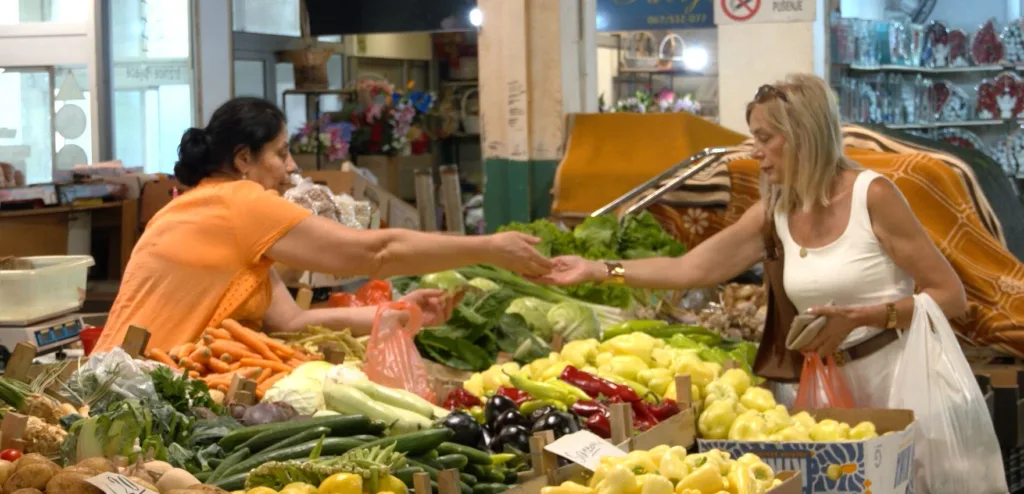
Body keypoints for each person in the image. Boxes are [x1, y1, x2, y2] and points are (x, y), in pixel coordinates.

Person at [533, 74, 968, 408]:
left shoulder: (872, 195)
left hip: (899, 382)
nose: (752, 151)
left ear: (803, 135)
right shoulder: (774, 212)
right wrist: (599, 270)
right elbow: (692, 269)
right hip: (825, 386)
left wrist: (863, 317)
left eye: (764, 138)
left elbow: (951, 297)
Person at [95, 97, 551, 353]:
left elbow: (289, 321)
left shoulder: (203, 208)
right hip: (141, 391)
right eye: (280, 152)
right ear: (243, 160)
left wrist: (399, 314)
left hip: (124, 383)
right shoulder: (240, 202)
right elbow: (375, 253)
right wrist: (489, 247)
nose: (290, 167)